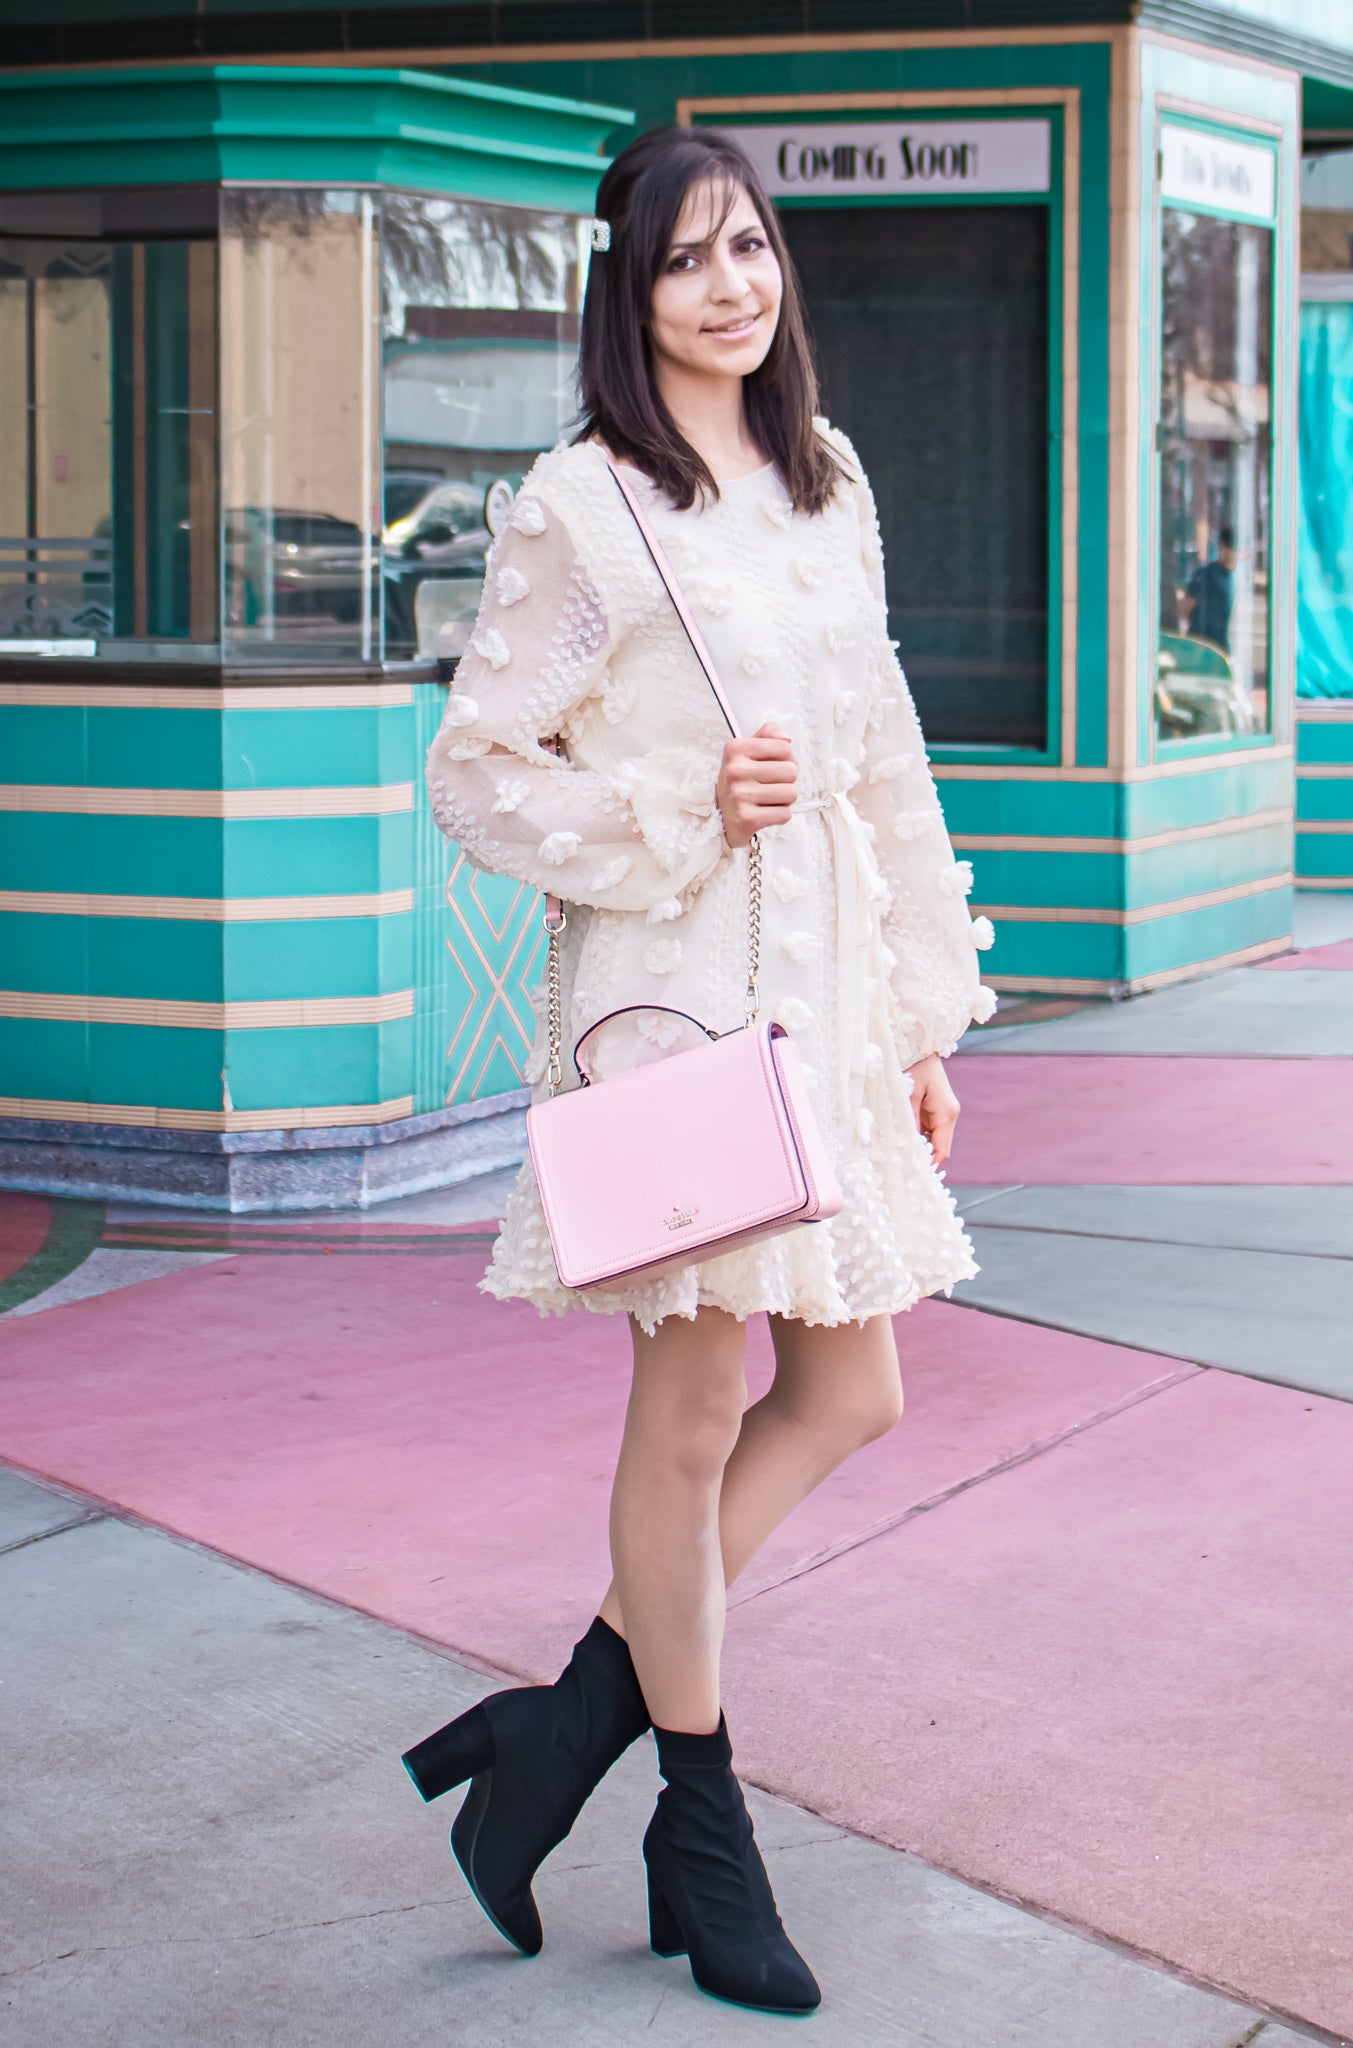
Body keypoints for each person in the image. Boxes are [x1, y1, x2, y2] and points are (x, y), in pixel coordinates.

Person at [405, 124, 995, 2016]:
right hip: (675, 1012)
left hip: (825, 1011)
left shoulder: (828, 475)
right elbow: (475, 773)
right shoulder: (583, 504)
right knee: (686, 1415)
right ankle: (700, 1813)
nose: (729, 285)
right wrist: (679, 802)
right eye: (684, 260)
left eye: (748, 246)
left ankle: (560, 1731)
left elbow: (884, 752)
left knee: (854, 1388)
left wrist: (921, 1016)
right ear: (629, 292)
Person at [1184, 524, 1237, 650]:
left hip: (1219, 644)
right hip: (1201, 642)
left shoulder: (1233, 578)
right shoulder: (1207, 574)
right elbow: (1188, 605)